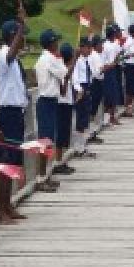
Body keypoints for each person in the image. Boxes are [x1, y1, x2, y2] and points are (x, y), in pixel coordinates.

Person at [0, 20, 30, 222]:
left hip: (17, 113)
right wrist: (21, 26)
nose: (23, 39)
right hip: (8, 114)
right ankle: (2, 209)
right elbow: (10, 53)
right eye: (20, 35)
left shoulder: (15, 61)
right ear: (12, 36)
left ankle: (9, 205)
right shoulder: (3, 55)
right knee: (5, 162)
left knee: (14, 161)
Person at [35, 28, 68, 189]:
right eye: (56, 41)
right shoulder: (50, 59)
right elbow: (64, 73)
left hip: (48, 101)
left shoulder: (44, 58)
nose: (58, 44)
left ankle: (45, 175)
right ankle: (41, 178)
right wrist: (62, 58)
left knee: (48, 141)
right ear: (51, 43)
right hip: (47, 101)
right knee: (45, 141)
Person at [55, 42, 78, 171]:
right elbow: (65, 77)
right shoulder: (61, 69)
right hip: (61, 103)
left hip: (67, 103)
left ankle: (61, 161)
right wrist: (74, 60)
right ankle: (58, 162)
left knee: (64, 135)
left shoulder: (64, 68)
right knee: (60, 135)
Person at [72, 36, 96, 158]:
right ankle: (78, 147)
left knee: (85, 118)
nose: (90, 50)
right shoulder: (77, 60)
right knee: (81, 119)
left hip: (87, 87)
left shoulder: (86, 60)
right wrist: (80, 90)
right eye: (88, 47)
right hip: (81, 89)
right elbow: (74, 78)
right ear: (81, 48)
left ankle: (82, 146)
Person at [88, 34, 107, 142]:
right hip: (96, 83)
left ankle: (92, 132)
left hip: (97, 82)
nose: (102, 46)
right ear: (96, 45)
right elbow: (97, 71)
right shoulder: (95, 56)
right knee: (93, 109)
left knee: (94, 108)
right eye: (101, 44)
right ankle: (91, 133)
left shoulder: (95, 55)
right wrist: (106, 67)